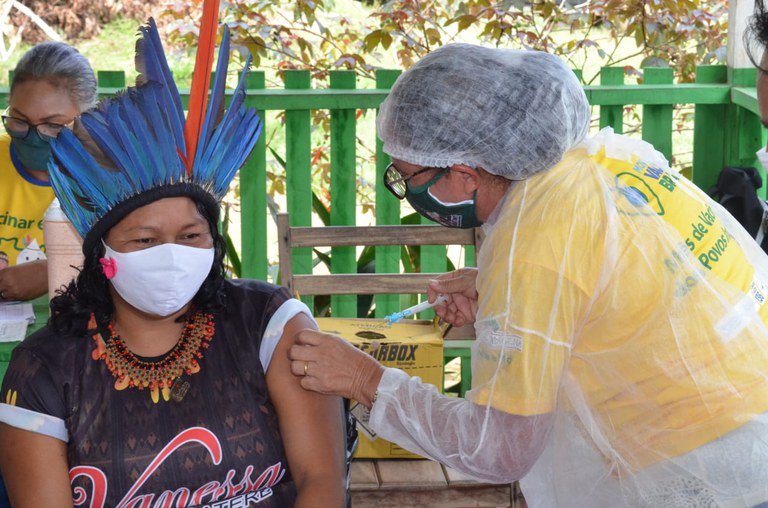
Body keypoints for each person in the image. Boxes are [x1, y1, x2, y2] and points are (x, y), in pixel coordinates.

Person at [288, 43, 768, 507]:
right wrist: (504, 295)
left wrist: (365, 378)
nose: (407, 190)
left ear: (464, 173)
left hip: (708, 465)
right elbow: (621, 276)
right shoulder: (593, 160)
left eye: (408, 177)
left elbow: (499, 448)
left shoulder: (534, 242)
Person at [0, 17, 346, 507]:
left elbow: (322, 484)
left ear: (214, 240)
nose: (171, 256)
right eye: (144, 239)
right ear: (103, 254)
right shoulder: (46, 369)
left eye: (191, 235)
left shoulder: (267, 325)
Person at [0, 42, 96, 303]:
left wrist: (52, 270)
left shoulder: (110, 180)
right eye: (19, 120)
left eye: (52, 125)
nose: (32, 137)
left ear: (85, 121)